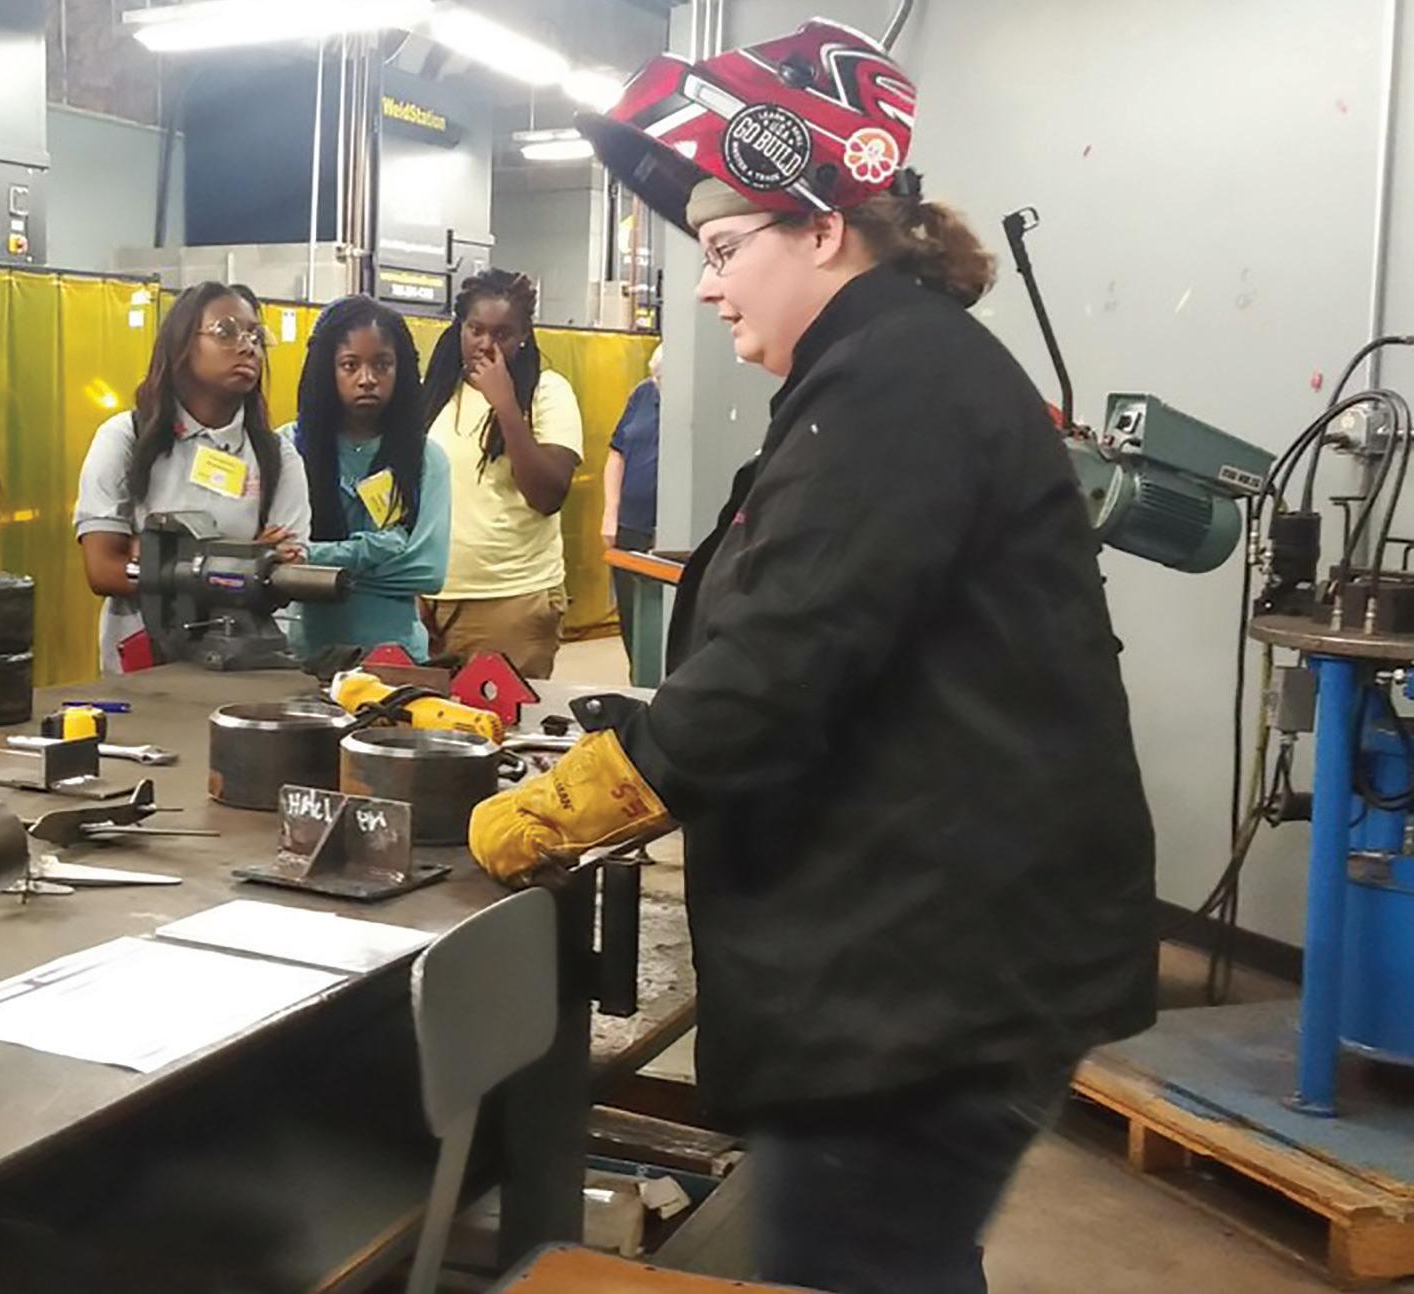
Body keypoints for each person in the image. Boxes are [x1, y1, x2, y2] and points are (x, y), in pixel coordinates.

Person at [471, 21, 1157, 1294]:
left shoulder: (897, 382)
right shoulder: (885, 370)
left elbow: (780, 661)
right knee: (899, 1261)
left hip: (928, 981)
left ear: (825, 230)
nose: (711, 286)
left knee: (860, 1263)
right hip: (937, 950)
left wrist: (595, 791)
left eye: (727, 249)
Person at [73, 281, 310, 674]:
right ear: (182, 344)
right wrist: (245, 558)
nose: (248, 347)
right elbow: (102, 569)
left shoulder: (278, 456)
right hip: (141, 670)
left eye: (255, 335)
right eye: (226, 331)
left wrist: (157, 558)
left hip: (243, 666)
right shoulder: (125, 437)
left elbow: (284, 576)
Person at [419, 270, 583, 679]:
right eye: (475, 330)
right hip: (430, 599)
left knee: (501, 718)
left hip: (511, 599)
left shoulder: (547, 392)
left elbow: (548, 495)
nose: (486, 344)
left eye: (502, 334)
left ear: (524, 335)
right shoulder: (435, 390)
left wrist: (506, 405)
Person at [283, 295, 450, 660]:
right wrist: (378, 550)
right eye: (350, 365)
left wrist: (314, 563)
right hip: (301, 655)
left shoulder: (427, 458)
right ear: (326, 369)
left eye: (382, 364)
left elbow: (427, 572)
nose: (367, 379)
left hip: (396, 657)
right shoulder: (286, 449)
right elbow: (272, 561)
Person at [601, 344, 661, 665]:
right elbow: (616, 454)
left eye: (663, 380)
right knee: (632, 623)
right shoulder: (642, 394)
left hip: (669, 533)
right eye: (655, 378)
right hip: (630, 528)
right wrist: (610, 513)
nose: (657, 385)